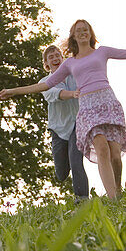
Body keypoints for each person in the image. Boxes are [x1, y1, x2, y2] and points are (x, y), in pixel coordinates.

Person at [0, 19, 126, 200]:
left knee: (115, 156)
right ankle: (113, 199)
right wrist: (13, 91)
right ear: (74, 37)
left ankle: (117, 188)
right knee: (102, 148)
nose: (82, 32)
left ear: (90, 33)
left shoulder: (102, 52)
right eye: (78, 30)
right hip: (87, 107)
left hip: (107, 102)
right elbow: (45, 85)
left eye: (85, 29)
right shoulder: (69, 63)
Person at [39, 44, 90, 201]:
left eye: (58, 56)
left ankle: (82, 198)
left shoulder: (75, 75)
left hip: (77, 124)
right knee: (61, 174)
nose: (55, 59)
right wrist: (73, 93)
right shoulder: (45, 82)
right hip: (58, 129)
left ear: (63, 59)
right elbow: (56, 94)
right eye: (51, 57)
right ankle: (64, 165)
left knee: (76, 159)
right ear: (47, 64)